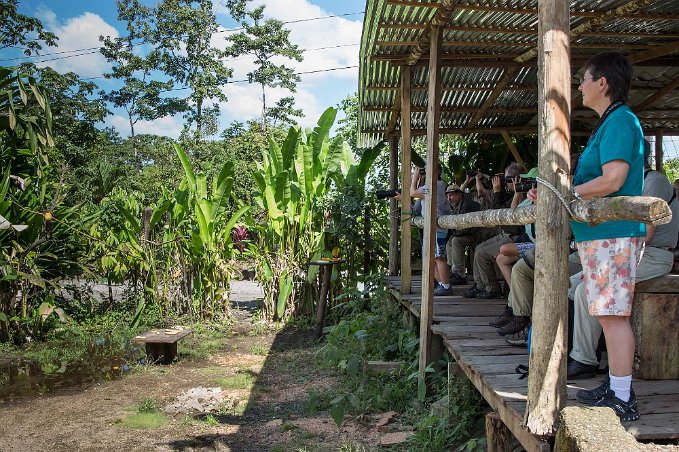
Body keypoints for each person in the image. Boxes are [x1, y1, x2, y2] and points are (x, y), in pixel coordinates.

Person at [568, 52, 646, 421]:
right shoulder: (610, 122)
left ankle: (622, 396)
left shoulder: (620, 121)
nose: (580, 85)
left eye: (584, 78)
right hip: (604, 237)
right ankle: (618, 386)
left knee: (613, 316)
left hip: (613, 235)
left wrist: (567, 193)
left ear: (603, 83)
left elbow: (613, 179)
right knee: (607, 313)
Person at [568, 141, 679, 380]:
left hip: (653, 254)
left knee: (587, 291)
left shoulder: (654, 181)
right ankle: (583, 352)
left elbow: (645, 235)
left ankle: (584, 360)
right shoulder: (632, 183)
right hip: (628, 252)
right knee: (573, 286)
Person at [464, 163, 525, 299]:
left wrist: (497, 192)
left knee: (481, 252)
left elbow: (502, 214)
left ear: (516, 179)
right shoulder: (514, 193)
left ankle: (492, 288)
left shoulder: (522, 194)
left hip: (514, 236)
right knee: (479, 248)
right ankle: (481, 286)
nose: (505, 183)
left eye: (508, 179)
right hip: (506, 234)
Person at [406, 164, 454, 296]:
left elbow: (412, 193)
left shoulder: (436, 185)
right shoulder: (432, 185)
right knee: (431, 258)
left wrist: (415, 177)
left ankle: (446, 285)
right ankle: (441, 284)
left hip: (437, 227)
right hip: (432, 226)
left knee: (438, 257)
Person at [444, 183, 496, 284]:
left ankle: (459, 274)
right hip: (474, 233)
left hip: (484, 234)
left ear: (459, 195)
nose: (449, 198)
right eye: (447, 196)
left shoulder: (467, 205)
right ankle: (453, 271)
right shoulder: (458, 204)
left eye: (451, 195)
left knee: (456, 241)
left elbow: (463, 229)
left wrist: (452, 231)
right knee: (451, 241)